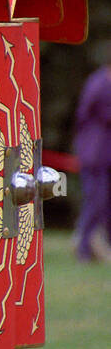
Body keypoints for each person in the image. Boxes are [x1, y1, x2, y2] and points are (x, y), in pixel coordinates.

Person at [74, 44, 111, 262]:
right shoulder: (98, 83)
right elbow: (84, 115)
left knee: (106, 204)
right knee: (95, 201)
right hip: (95, 154)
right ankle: (83, 247)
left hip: (106, 155)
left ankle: (100, 246)